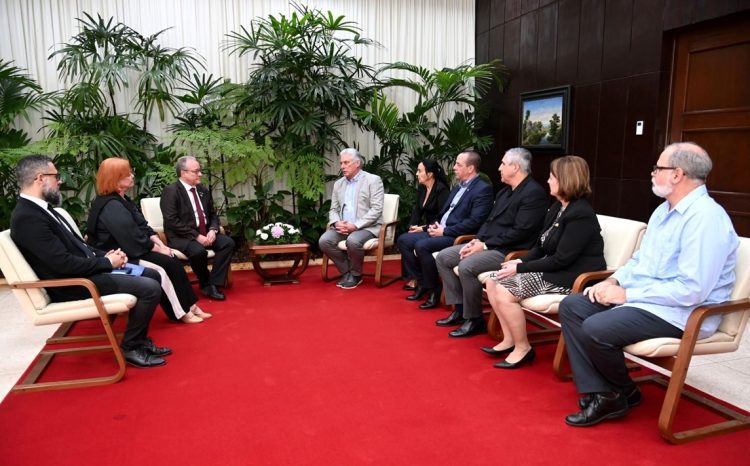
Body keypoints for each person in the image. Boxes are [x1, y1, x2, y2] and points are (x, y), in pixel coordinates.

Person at [558, 142, 738, 427]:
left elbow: (692, 290)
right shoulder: (664, 211)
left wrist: (627, 294)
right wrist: (614, 280)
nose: (653, 173)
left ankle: (618, 392)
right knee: (573, 305)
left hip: (684, 312)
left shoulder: (706, 219)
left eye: (658, 168)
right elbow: (641, 260)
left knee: (597, 327)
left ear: (677, 174)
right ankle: (609, 392)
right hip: (650, 301)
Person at [10, 155, 169, 368]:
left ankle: (139, 341)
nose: (60, 181)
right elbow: (62, 264)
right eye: (56, 176)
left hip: (83, 273)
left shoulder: (42, 210)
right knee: (149, 287)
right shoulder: (28, 217)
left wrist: (106, 255)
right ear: (40, 178)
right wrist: (107, 264)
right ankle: (131, 347)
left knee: (152, 274)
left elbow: (79, 246)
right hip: (71, 284)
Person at [483, 155, 605, 367]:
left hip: (571, 278)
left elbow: (562, 259)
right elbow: (539, 246)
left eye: (552, 177)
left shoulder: (581, 214)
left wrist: (521, 267)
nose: (548, 181)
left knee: (504, 290)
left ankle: (523, 349)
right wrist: (517, 263)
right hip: (555, 270)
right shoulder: (558, 207)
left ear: (566, 180)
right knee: (492, 280)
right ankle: (509, 339)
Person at [435, 147, 548, 337]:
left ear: (515, 167)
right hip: (488, 244)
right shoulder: (505, 192)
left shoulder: (533, 193)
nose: (499, 168)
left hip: (510, 251)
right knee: (444, 256)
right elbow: (488, 222)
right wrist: (477, 240)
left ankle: (474, 319)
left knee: (467, 266)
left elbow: (521, 232)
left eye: (503, 164)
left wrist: (484, 246)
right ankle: (460, 309)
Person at [87, 157, 212, 324]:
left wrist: (160, 244)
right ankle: (180, 312)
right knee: (165, 265)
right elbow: (131, 238)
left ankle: (190, 305)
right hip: (119, 255)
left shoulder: (122, 199)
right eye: (127, 173)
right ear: (115, 178)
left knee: (172, 260)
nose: (132, 176)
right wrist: (159, 249)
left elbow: (143, 226)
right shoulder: (110, 205)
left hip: (133, 247)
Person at [398, 151, 494, 309]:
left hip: (458, 235)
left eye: (458, 164)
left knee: (422, 246)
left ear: (470, 169)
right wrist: (433, 226)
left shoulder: (482, 189)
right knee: (404, 240)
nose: (454, 167)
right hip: (441, 229)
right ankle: (422, 283)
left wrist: (445, 231)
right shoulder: (457, 187)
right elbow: (443, 214)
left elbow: (475, 222)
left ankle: (434, 289)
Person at [161, 156, 235, 301]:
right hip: (182, 237)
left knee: (228, 243)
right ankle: (205, 283)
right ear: (183, 173)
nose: (200, 174)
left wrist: (213, 230)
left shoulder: (202, 190)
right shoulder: (171, 191)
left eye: (200, 171)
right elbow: (172, 221)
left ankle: (213, 283)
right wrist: (196, 236)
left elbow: (213, 214)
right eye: (196, 171)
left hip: (205, 233)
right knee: (198, 251)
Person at [319, 148, 385, 289]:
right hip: (343, 227)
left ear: (357, 163)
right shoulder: (339, 184)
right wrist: (336, 223)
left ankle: (355, 275)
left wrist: (355, 225)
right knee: (324, 241)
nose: (342, 166)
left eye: (346, 163)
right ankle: (347, 271)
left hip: (367, 226)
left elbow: (377, 209)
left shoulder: (373, 180)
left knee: (353, 240)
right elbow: (334, 209)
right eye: (341, 163)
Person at [397, 159, 450, 291]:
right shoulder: (422, 188)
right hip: (426, 227)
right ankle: (416, 278)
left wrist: (422, 228)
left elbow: (442, 217)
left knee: (406, 240)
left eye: (420, 171)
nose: (416, 174)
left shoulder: (441, 190)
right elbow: (417, 210)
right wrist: (412, 226)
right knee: (404, 238)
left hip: (436, 229)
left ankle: (420, 280)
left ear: (430, 174)